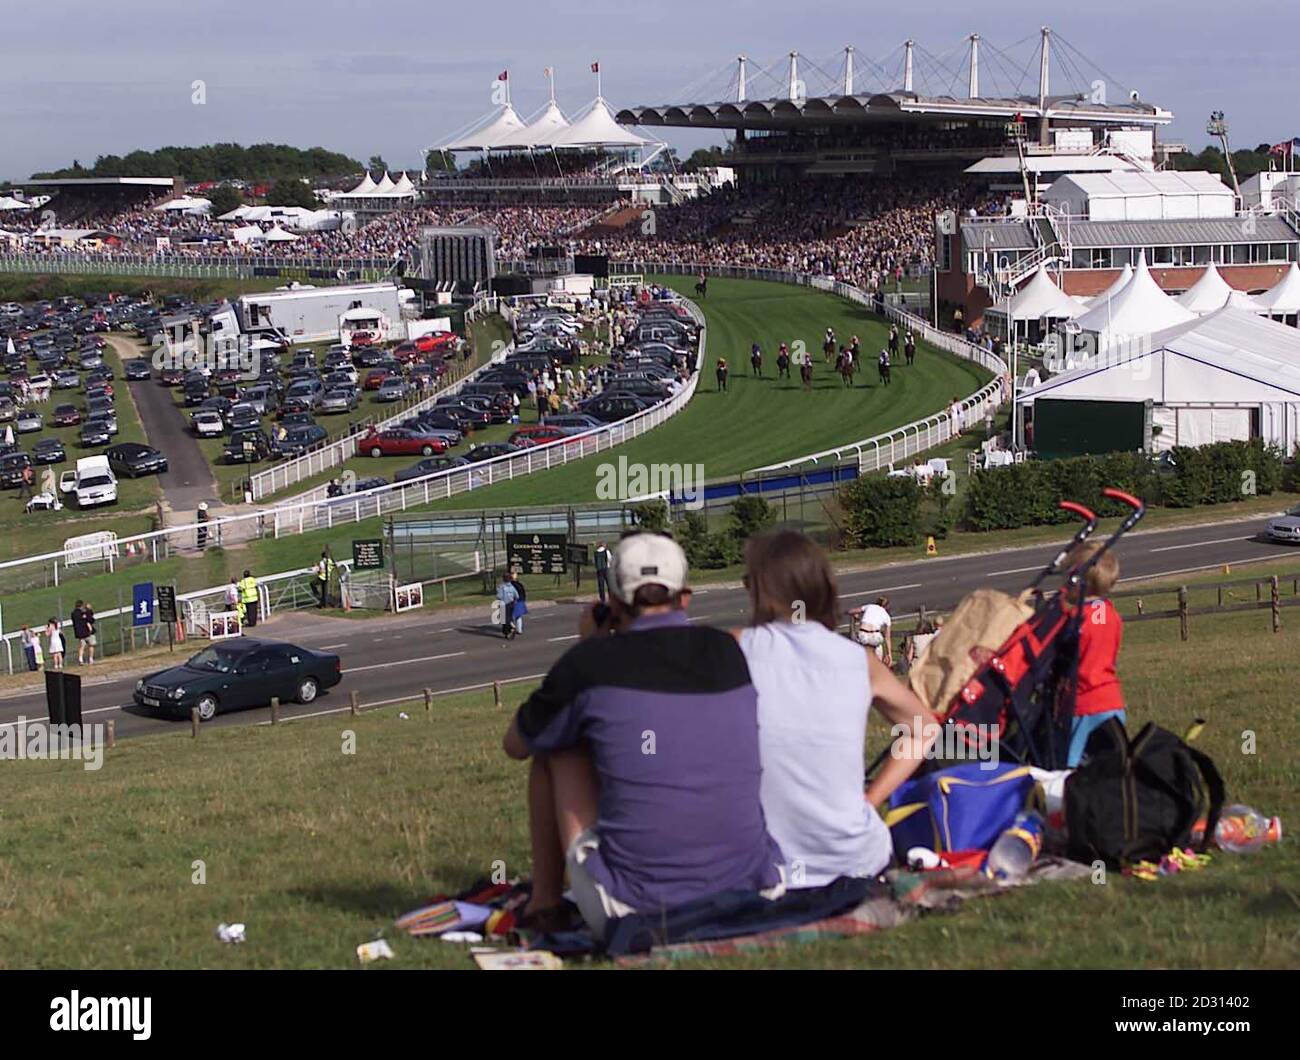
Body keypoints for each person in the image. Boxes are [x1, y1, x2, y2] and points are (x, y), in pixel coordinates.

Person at [502, 533, 786, 936]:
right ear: (684, 597)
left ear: (613, 604)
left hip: (638, 908)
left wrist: (588, 648)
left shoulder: (589, 664)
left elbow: (516, 744)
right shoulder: (727, 650)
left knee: (556, 745)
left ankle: (546, 902)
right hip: (754, 888)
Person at [735, 531, 938, 885]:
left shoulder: (735, 649)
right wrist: (871, 799)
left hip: (768, 866)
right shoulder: (860, 661)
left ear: (761, 589)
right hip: (857, 858)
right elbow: (926, 728)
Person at [1064, 542, 1127, 767]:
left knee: (1068, 767)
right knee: (1112, 765)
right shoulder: (1110, 614)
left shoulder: (1075, 619)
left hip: (1082, 702)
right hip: (1111, 701)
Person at [852, 596, 893, 667]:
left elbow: (854, 611)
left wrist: (855, 616)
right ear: (886, 606)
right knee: (878, 650)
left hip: (863, 634)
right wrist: (889, 654)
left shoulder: (869, 606)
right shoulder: (886, 616)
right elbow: (887, 638)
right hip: (875, 635)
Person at [71, 599, 95, 665]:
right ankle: (90, 659)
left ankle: (80, 659)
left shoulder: (73, 613)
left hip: (80, 634)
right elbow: (91, 619)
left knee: (81, 647)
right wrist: (89, 610)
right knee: (91, 645)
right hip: (88, 632)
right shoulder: (84, 612)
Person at [496, 572, 520, 639]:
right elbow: (517, 596)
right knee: (509, 617)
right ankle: (508, 631)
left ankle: (510, 628)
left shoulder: (501, 587)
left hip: (503, 604)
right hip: (511, 603)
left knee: (504, 619)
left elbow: (499, 596)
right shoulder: (512, 587)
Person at [509, 569, 528, 636]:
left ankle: (513, 628)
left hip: (514, 602)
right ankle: (519, 630)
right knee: (518, 616)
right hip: (520, 601)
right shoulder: (519, 584)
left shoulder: (510, 585)